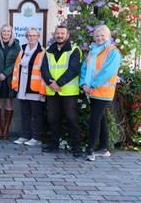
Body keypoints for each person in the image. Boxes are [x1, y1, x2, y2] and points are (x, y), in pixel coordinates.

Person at [81, 25, 122, 161]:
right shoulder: (94, 51)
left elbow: (107, 72)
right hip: (92, 91)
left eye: (102, 35)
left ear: (108, 36)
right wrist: (84, 84)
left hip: (103, 91)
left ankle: (90, 150)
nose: (100, 38)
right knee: (101, 118)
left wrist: (91, 85)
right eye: (97, 36)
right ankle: (104, 148)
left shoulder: (113, 52)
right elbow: (84, 69)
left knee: (95, 119)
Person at [40, 25, 82, 157]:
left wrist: (58, 83)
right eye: (57, 33)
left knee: (71, 118)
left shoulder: (74, 50)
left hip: (68, 91)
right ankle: (53, 144)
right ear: (54, 35)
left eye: (62, 33)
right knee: (52, 118)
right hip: (53, 91)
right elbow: (44, 69)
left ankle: (77, 147)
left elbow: (74, 69)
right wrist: (51, 83)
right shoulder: (48, 51)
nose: (60, 35)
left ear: (67, 35)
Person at [12, 27, 46, 146]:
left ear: (38, 37)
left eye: (34, 35)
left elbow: (44, 72)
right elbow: (16, 68)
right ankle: (24, 135)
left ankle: (36, 138)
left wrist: (43, 89)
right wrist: (15, 84)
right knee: (25, 113)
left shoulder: (42, 52)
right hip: (22, 87)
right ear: (26, 37)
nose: (32, 38)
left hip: (35, 88)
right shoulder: (22, 50)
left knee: (37, 114)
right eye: (29, 36)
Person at [0, 24, 20, 139]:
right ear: (1, 33)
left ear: (11, 33)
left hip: (9, 79)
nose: (6, 33)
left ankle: (6, 129)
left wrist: (6, 73)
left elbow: (17, 62)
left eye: (8, 31)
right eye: (4, 31)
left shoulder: (16, 46)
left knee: (9, 103)